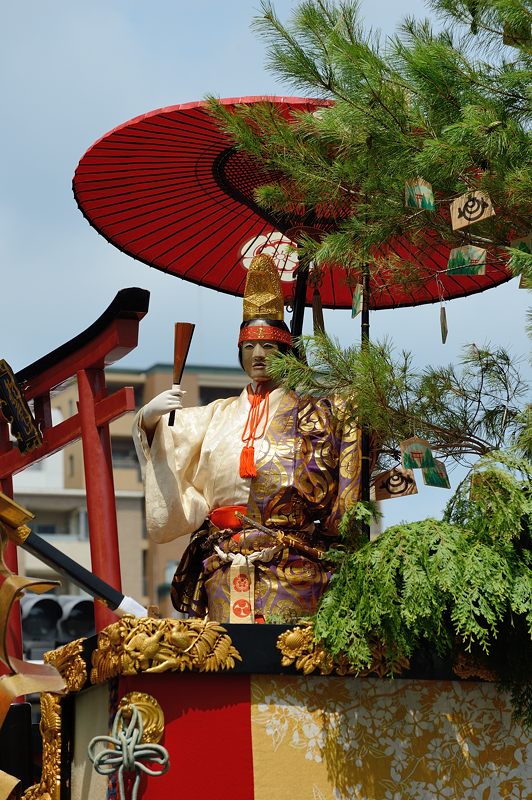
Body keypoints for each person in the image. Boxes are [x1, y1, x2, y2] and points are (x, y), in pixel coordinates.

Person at [133, 254, 362, 624]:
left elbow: (347, 468)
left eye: (269, 347)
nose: (258, 355)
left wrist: (360, 407)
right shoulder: (216, 415)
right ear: (238, 353)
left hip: (293, 563)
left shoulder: (314, 414)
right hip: (224, 563)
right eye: (249, 347)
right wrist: (149, 418)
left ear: (287, 354)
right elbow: (168, 443)